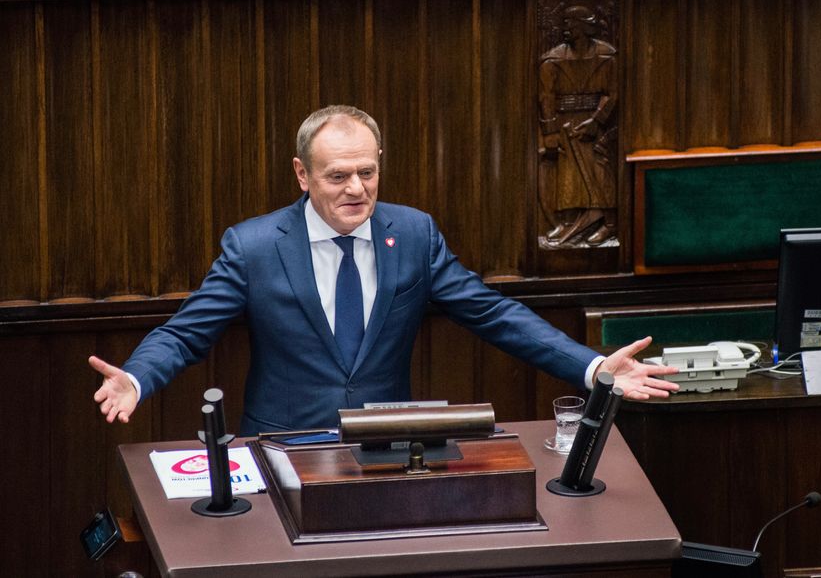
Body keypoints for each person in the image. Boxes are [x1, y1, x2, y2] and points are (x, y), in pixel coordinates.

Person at [90, 106, 677, 435]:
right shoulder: (255, 246)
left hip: (386, 442)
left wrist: (594, 366)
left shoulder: (414, 234)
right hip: (282, 444)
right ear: (302, 175)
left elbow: (493, 314)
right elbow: (187, 331)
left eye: (367, 173)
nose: (356, 189)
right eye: (338, 175)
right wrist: (136, 378)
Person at [537, 5, 618, 246]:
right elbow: (546, 97)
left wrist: (597, 120)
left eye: (570, 24)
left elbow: (613, 93)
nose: (565, 29)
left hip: (595, 123)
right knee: (567, 175)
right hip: (565, 122)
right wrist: (550, 131)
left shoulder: (606, 55)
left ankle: (609, 223)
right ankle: (569, 222)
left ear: (584, 26)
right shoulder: (553, 60)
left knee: (600, 170)